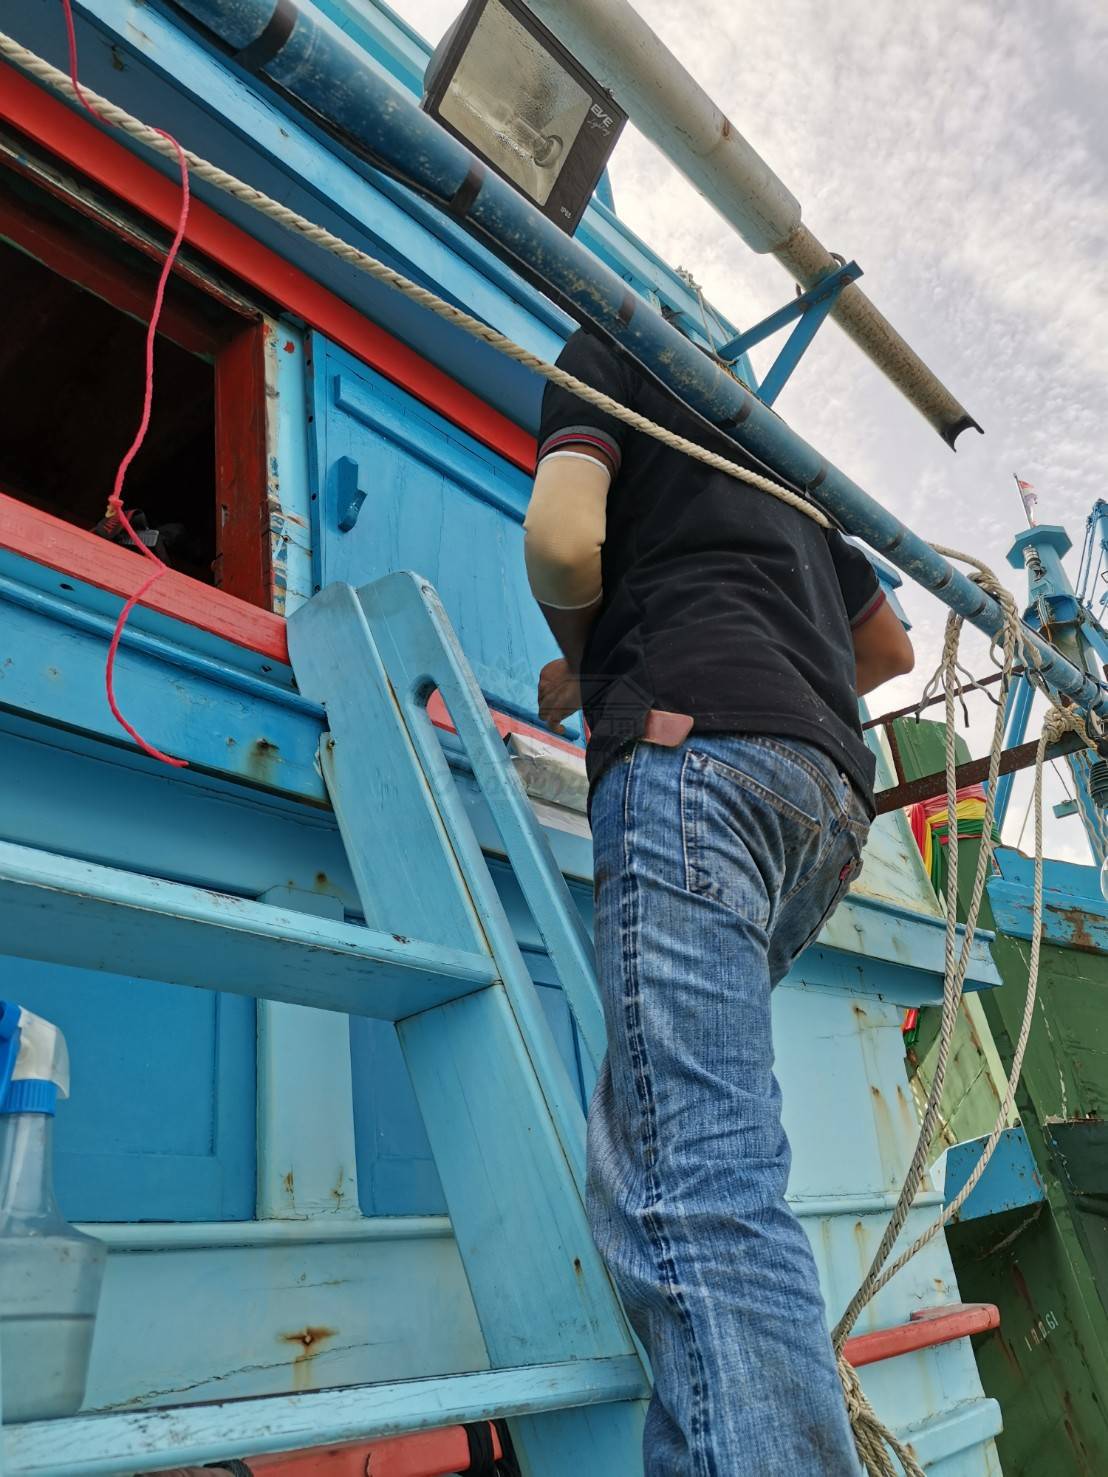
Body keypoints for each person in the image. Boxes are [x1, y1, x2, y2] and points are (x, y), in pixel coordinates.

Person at [523, 328, 914, 1476]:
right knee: (675, 1157)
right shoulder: (779, 459)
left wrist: (595, 656)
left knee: (691, 1185)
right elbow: (887, 648)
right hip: (825, 802)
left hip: (693, 759)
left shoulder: (611, 350)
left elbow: (561, 544)